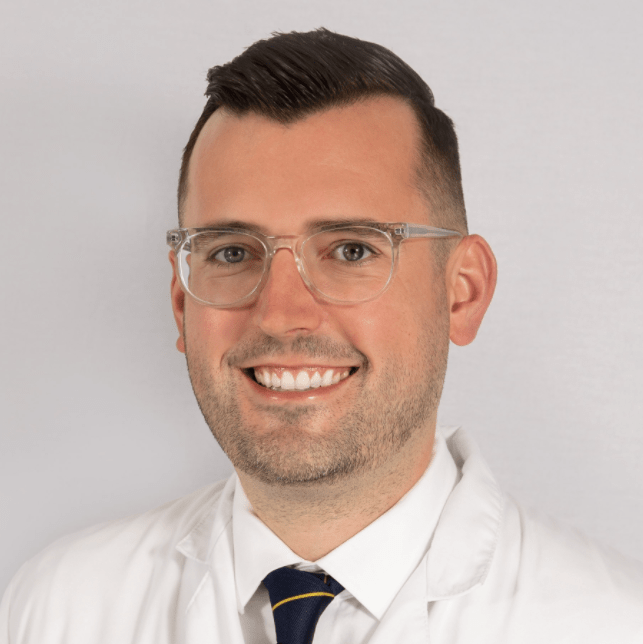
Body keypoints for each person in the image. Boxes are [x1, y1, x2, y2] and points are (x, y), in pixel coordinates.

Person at [1, 27, 642, 644]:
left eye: (352, 250)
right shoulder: (55, 612)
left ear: (462, 292)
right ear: (181, 302)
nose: (280, 315)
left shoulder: (610, 626)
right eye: (231, 253)